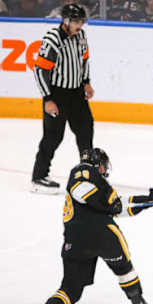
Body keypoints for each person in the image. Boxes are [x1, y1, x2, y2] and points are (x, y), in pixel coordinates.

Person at [37, 148, 153, 304]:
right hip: (103, 234)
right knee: (123, 266)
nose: (105, 169)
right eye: (103, 165)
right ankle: (136, 297)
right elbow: (84, 191)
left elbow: (119, 207)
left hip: (75, 240)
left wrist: (152, 201)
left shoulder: (100, 185)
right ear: (97, 164)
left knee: (70, 289)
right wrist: (107, 203)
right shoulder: (83, 171)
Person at [32, 4, 95, 194]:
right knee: (53, 137)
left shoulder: (81, 36)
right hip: (57, 95)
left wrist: (86, 82)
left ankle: (87, 172)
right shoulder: (53, 39)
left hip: (77, 94)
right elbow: (40, 69)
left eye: (81, 21)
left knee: (85, 130)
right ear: (65, 21)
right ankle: (39, 176)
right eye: (76, 21)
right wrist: (48, 99)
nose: (80, 25)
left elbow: (84, 60)